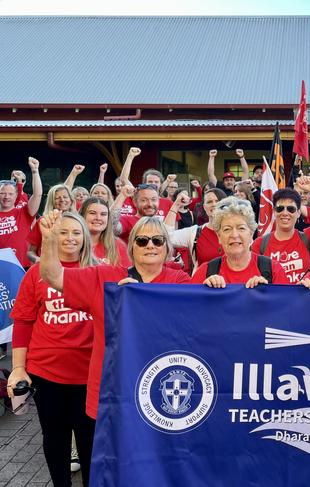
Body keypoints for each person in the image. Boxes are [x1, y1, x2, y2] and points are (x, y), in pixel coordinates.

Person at [38, 213, 191, 420]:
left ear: (167, 247)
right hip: (113, 388)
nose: (150, 246)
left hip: (161, 387)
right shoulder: (104, 276)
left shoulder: (181, 281)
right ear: (132, 247)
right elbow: (53, 276)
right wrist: (48, 240)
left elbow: (195, 322)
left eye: (157, 240)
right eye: (142, 240)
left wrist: (217, 284)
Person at [8, 212, 97, 487]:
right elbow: (23, 321)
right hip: (47, 372)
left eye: (76, 232)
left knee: (90, 440)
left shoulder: (99, 270)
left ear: (85, 237)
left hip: (90, 373)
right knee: (55, 437)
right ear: (52, 236)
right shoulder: (36, 273)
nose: (70, 238)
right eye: (63, 232)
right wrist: (18, 368)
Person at [192, 197, 289, 286]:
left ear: (251, 234)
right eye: (227, 229)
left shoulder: (273, 270)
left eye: (241, 228)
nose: (234, 235)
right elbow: (188, 302)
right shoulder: (205, 272)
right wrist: (204, 292)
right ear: (219, 237)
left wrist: (267, 294)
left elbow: (288, 304)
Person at [251, 187, 310, 283]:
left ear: (298, 213)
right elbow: (250, 275)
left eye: (291, 209)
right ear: (274, 212)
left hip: (302, 297)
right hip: (273, 297)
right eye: (280, 208)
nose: (285, 213)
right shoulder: (259, 244)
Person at [164, 188, 227, 272]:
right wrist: (176, 205)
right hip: (202, 283)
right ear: (204, 207)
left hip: (232, 283)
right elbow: (167, 237)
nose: (214, 204)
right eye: (209, 202)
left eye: (218, 201)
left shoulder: (237, 231)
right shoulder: (194, 233)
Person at [0, 158, 42, 267]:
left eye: (10, 194)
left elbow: (37, 195)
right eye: (2, 193)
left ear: (16, 195)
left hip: (22, 267)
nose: (6, 197)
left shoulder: (24, 213)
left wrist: (35, 171)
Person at [27, 184, 75, 263]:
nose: (62, 200)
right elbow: (30, 252)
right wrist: (38, 260)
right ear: (51, 201)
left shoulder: (79, 221)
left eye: (65, 197)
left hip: (72, 269)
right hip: (47, 268)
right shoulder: (43, 221)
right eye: (57, 198)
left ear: (71, 200)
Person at [79, 197, 130, 266]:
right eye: (92, 213)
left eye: (103, 214)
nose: (98, 218)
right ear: (82, 215)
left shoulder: (118, 246)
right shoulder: (71, 244)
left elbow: (126, 274)